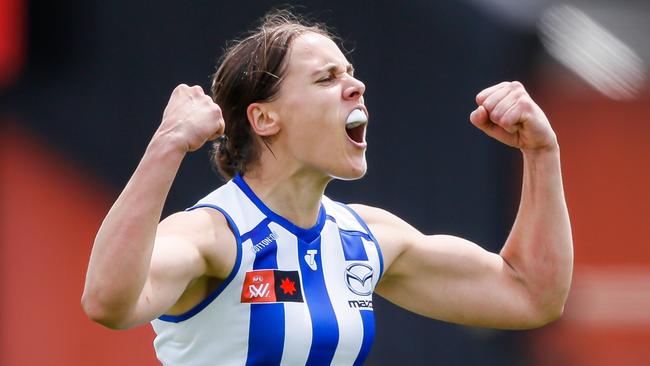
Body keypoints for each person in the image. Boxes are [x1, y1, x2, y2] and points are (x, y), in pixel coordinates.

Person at [82, 9, 573, 366]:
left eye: (352, 74)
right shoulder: (212, 234)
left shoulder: (366, 238)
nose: (356, 87)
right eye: (326, 78)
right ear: (265, 117)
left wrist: (541, 153)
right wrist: (167, 144)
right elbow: (107, 302)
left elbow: (531, 295)